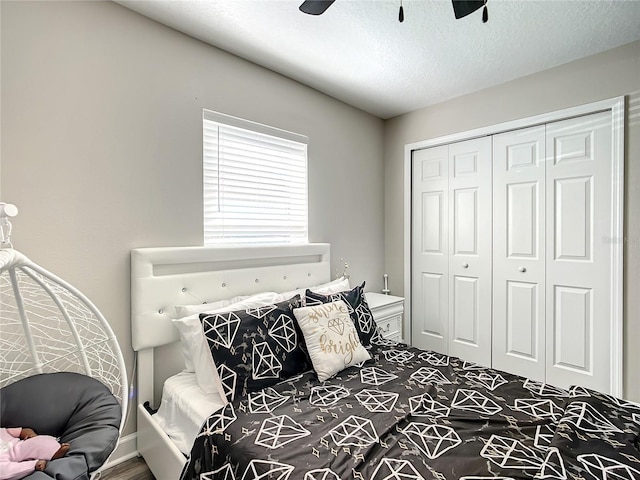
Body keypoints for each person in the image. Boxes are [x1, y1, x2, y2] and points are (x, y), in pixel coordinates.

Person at [0, 427, 69, 480]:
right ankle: (33, 465)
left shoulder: (2, 431)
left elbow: (21, 431)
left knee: (36, 442)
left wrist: (30, 435)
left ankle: (55, 452)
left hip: (18, 447)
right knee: (2, 471)